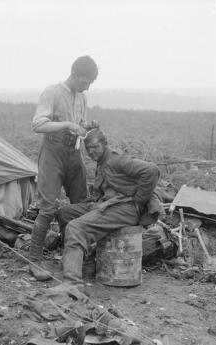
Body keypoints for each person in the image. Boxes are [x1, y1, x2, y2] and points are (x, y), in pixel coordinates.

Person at [57, 129, 161, 283]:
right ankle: (84, 261)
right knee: (64, 213)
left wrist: (139, 201)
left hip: (125, 208)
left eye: (95, 147)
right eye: (88, 148)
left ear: (104, 145)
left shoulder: (116, 160)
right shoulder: (101, 162)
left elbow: (151, 170)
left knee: (75, 228)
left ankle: (71, 283)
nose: (91, 152)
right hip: (107, 204)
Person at [30, 56, 99, 256]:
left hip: (73, 153)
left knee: (82, 203)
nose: (87, 88)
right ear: (75, 75)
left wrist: (86, 126)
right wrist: (68, 125)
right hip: (53, 152)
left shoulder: (82, 97)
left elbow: (79, 124)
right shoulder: (52, 92)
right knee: (48, 208)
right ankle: (35, 259)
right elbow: (38, 124)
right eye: (85, 82)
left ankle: (72, 250)